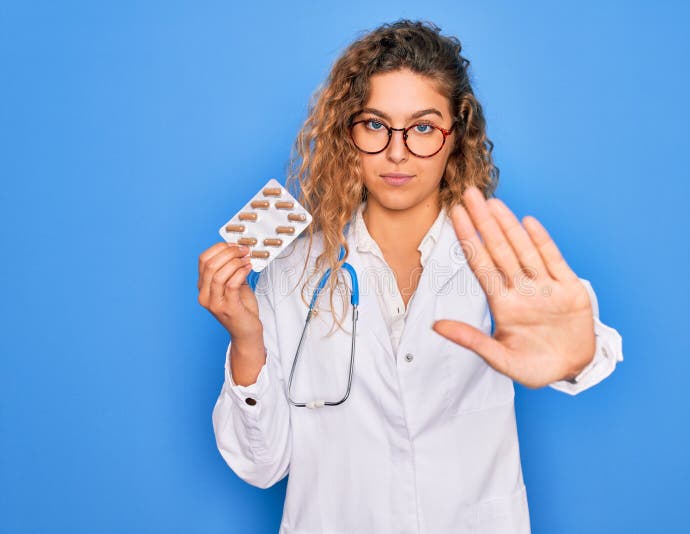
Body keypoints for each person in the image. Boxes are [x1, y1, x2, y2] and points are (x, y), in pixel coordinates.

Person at [197, 19, 623, 534]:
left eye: (422, 127)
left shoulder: (497, 257)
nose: (397, 152)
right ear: (347, 133)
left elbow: (587, 346)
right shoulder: (293, 267)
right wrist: (247, 340)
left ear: (455, 137)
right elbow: (260, 466)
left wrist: (577, 354)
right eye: (376, 124)